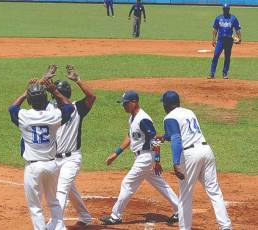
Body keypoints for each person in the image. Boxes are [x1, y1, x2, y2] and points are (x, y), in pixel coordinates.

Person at [99, 91, 179, 225]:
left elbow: (155, 140)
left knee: (127, 183)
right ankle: (179, 209)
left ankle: (115, 216)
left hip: (146, 157)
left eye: (125, 103)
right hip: (142, 157)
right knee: (161, 184)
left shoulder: (143, 119)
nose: (123, 106)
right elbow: (130, 136)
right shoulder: (132, 118)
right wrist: (116, 153)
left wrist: (157, 161)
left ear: (134, 102)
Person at [158, 91, 232, 230]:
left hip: (190, 155)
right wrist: (164, 137)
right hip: (206, 151)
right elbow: (181, 132)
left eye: (164, 103)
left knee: (185, 195)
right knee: (215, 192)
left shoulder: (169, 117)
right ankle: (226, 226)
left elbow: (177, 138)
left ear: (167, 104)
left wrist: (175, 162)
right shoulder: (189, 112)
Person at [8, 78, 74, 230]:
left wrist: (27, 91)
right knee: (54, 201)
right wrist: (54, 91)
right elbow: (69, 107)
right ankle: (59, 228)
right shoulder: (54, 116)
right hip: (52, 165)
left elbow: (12, 108)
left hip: (33, 167)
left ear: (30, 101)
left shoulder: (24, 116)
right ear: (45, 99)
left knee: (35, 206)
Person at [45, 65, 95, 227]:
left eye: (54, 93)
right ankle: (85, 216)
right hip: (54, 159)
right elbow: (34, 95)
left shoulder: (77, 108)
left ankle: (55, 223)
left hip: (71, 159)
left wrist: (78, 80)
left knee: (61, 189)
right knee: (70, 189)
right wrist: (44, 79)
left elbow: (91, 97)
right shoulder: (49, 108)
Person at [209, 3, 241, 79]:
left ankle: (225, 73)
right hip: (220, 40)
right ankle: (212, 73)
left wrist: (240, 38)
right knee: (216, 55)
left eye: (227, 9)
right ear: (223, 9)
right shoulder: (218, 18)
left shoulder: (233, 18)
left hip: (229, 40)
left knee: (227, 57)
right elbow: (215, 29)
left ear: (229, 9)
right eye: (224, 9)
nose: (225, 10)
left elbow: (237, 29)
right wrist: (213, 39)